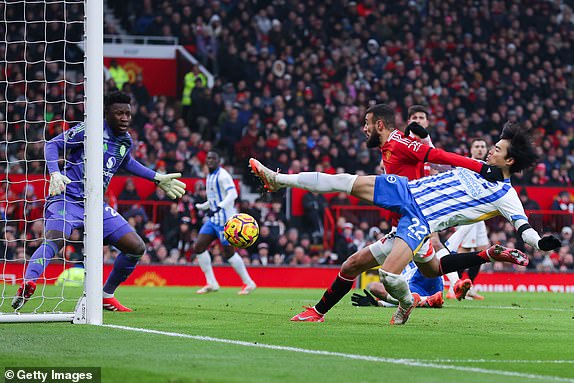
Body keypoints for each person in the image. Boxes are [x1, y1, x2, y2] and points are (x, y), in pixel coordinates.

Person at [249, 118, 561, 325]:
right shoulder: (478, 166)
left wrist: (541, 243)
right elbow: (437, 151)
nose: (492, 149)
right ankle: (278, 179)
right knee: (345, 182)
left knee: (386, 275)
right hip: (406, 190)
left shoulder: (505, 195)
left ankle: (408, 301)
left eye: (499, 149)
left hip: (421, 222)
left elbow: (526, 229)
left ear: (510, 161)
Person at [12, 91, 186, 312]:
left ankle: (106, 295)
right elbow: (52, 145)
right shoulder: (89, 130)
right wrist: (55, 173)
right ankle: (28, 282)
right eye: (119, 113)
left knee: (136, 247)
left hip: (95, 204)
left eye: (127, 114)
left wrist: (156, 177)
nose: (124, 118)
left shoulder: (125, 139)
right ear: (106, 114)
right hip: (67, 198)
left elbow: (127, 162)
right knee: (56, 239)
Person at [193, 150, 256, 295]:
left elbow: (233, 194)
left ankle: (249, 282)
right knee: (198, 246)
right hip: (213, 219)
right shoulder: (209, 176)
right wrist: (203, 206)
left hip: (226, 222)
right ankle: (211, 283)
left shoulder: (223, 175)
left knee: (229, 253)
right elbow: (215, 198)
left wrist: (219, 207)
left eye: (213, 158)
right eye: (208, 158)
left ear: (219, 161)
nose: (210, 161)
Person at [444, 138, 490, 300]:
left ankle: (469, 286)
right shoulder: (466, 165)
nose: (479, 149)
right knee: (465, 250)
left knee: (483, 249)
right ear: (471, 149)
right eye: (476, 146)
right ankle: (453, 287)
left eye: (482, 146)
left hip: (481, 215)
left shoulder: (488, 167)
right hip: (468, 213)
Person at [351, 260, 445, 309]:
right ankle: (426, 300)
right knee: (375, 287)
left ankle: (425, 300)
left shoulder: (404, 261)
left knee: (374, 287)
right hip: (415, 289)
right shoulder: (399, 269)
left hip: (422, 278)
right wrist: (378, 303)